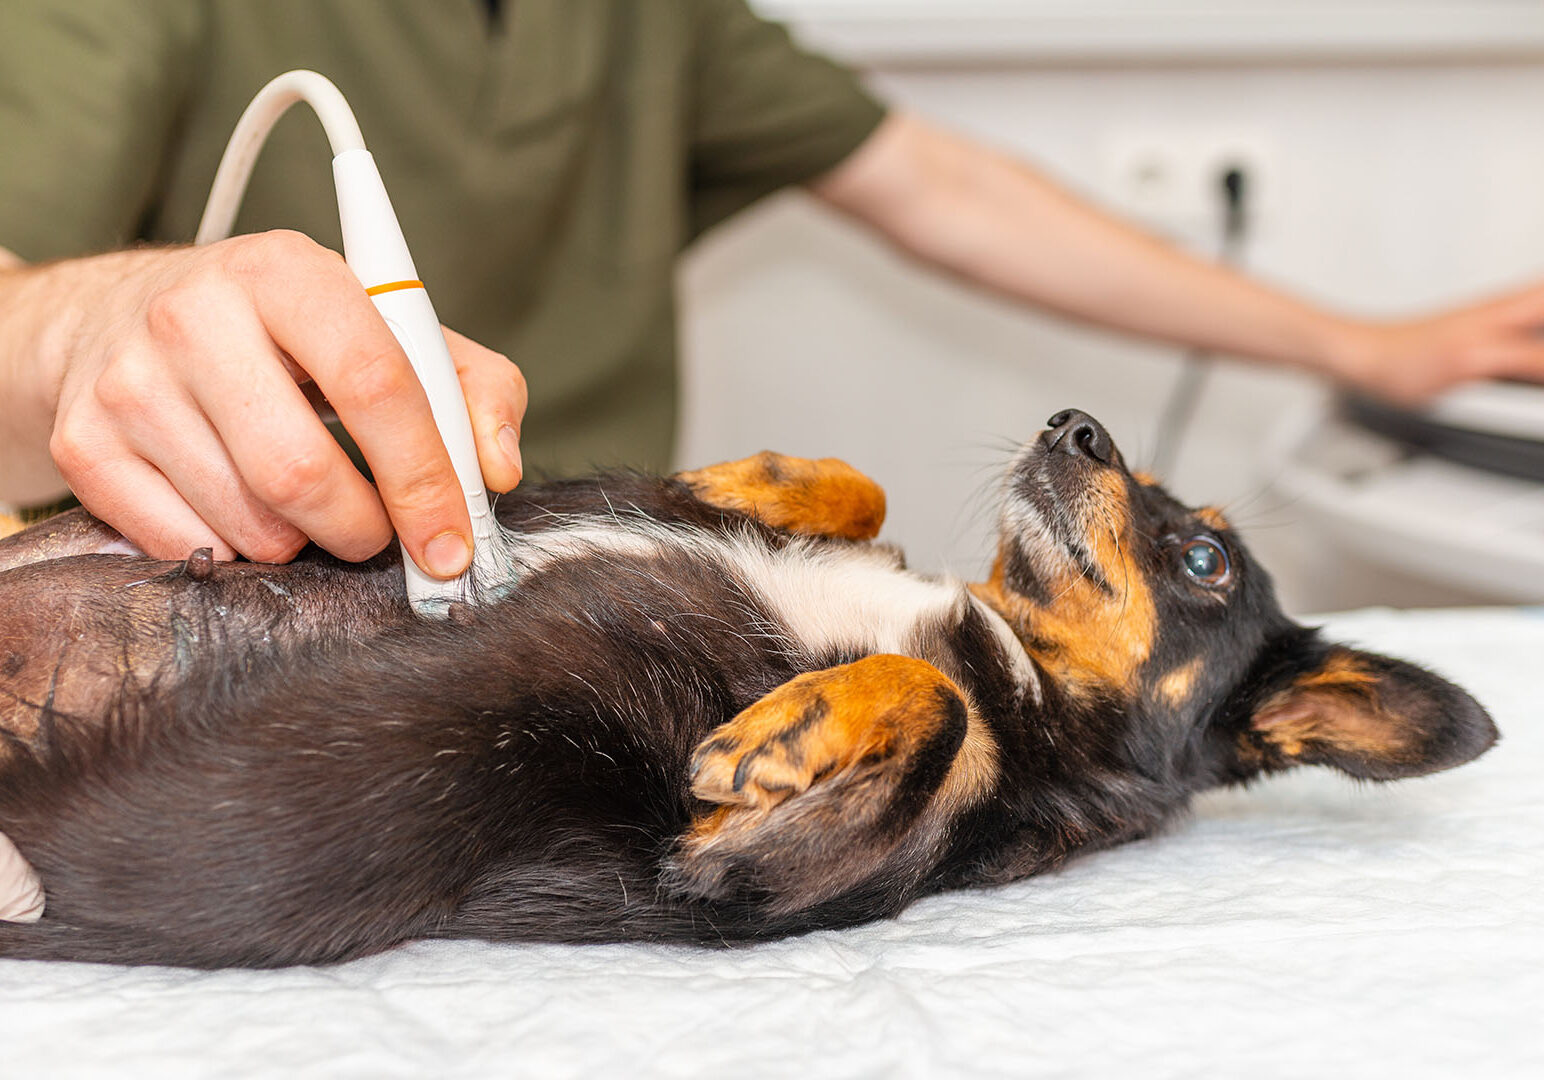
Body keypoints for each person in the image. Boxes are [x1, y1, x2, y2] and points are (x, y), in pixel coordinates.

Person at [2, 0, 1542, 922]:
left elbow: (938, 183)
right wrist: (68, 321)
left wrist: (1360, 346)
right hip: (187, 557)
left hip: (559, 672)